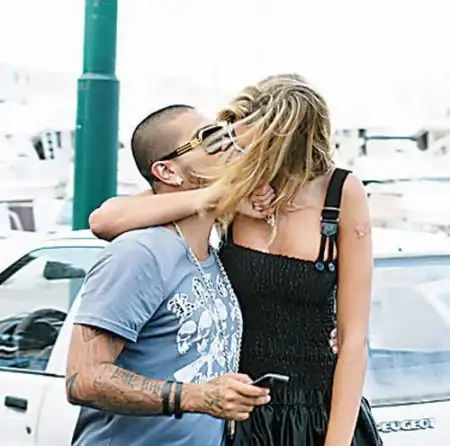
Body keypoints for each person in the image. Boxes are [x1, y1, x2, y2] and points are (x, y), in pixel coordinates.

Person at [89, 73, 376, 446]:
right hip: (235, 414)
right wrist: (223, 197)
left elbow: (353, 341)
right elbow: (105, 220)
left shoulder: (340, 192)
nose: (241, 149)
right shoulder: (226, 184)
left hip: (319, 411)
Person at [65, 104, 272, 446]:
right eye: (209, 137)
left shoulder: (212, 254)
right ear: (168, 171)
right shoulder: (139, 253)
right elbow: (82, 379)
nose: (227, 143)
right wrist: (197, 397)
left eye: (225, 133)